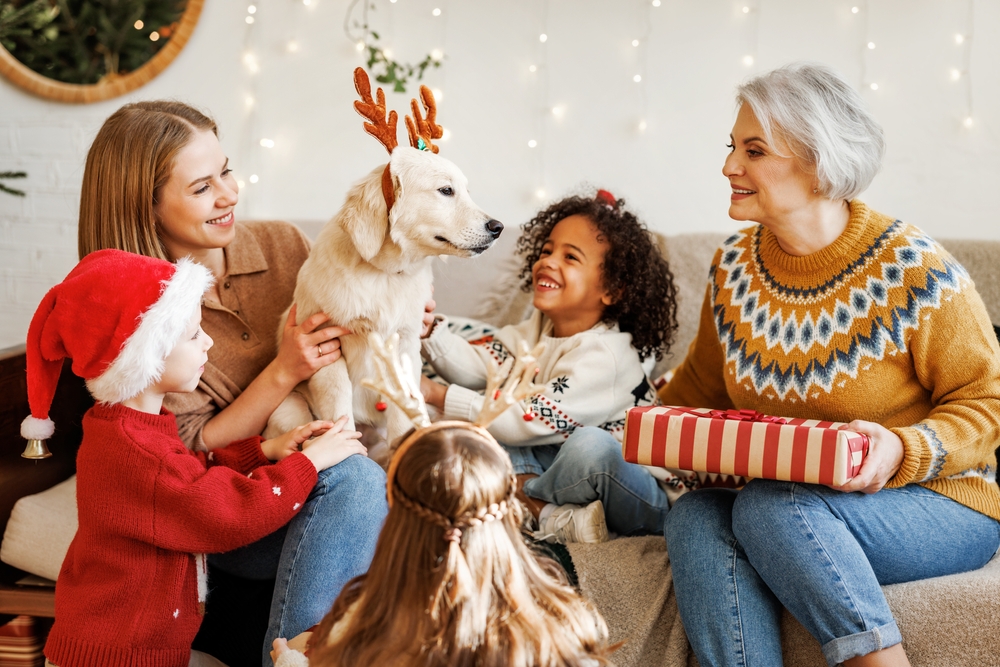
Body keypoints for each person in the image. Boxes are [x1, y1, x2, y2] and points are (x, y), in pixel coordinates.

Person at [661, 63, 1000, 667]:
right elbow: (700, 392)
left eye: (754, 150)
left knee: (770, 507)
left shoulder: (913, 271)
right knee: (695, 518)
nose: (728, 167)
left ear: (819, 163)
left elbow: (987, 402)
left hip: (941, 500)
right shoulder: (733, 268)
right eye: (732, 147)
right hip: (793, 502)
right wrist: (619, 430)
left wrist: (903, 449)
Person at [77, 101, 388, 666]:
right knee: (356, 480)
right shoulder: (138, 321)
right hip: (232, 510)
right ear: (143, 205)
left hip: (290, 461)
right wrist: (283, 371)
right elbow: (190, 457)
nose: (229, 193)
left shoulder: (283, 246)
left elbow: (358, 332)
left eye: (226, 170)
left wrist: (402, 325)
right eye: (202, 187)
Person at [19, 249, 366, 667]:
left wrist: (265, 451)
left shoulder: (127, 426)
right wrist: (307, 465)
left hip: (139, 649)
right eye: (193, 335)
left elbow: (189, 475)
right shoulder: (136, 448)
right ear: (146, 353)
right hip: (120, 657)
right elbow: (220, 512)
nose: (209, 341)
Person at [420, 190, 692, 544]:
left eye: (570, 257)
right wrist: (429, 333)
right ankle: (553, 517)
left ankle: (525, 503)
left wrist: (436, 394)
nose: (548, 261)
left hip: (639, 493)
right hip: (562, 469)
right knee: (489, 434)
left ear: (611, 289)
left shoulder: (606, 357)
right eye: (547, 251)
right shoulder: (535, 330)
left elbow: (524, 420)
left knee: (588, 446)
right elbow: (478, 366)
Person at [270, 421, 614, 667]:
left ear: (393, 507)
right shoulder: (565, 626)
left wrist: (289, 661)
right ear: (507, 509)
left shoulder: (364, 635)